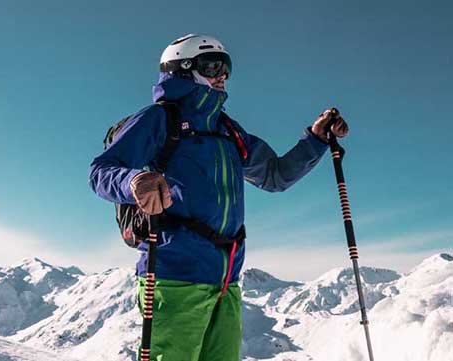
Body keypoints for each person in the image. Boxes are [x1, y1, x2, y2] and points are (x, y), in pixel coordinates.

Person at [88, 34, 348, 361]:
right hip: (173, 277)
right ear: (182, 69)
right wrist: (135, 180)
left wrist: (315, 140)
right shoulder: (158, 119)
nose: (222, 74)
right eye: (212, 66)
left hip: (227, 283)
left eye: (226, 67)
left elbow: (274, 175)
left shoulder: (228, 131)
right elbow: (101, 171)